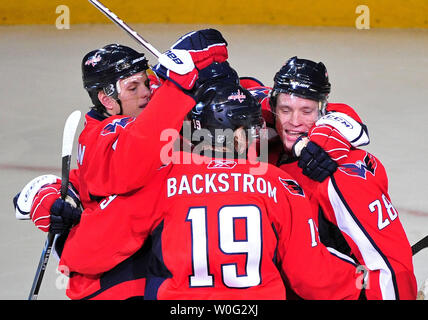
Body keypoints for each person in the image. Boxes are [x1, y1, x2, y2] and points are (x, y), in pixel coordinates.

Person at [58, 81, 366, 299]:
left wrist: (65, 227)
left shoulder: (162, 180)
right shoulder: (279, 185)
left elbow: (86, 255)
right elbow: (313, 278)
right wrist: (360, 282)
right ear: (244, 135)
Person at [14, 29, 232, 299]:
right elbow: (136, 157)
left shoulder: (148, 121)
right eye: (133, 87)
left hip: (161, 270)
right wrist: (177, 87)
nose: (146, 93)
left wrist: (216, 75)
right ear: (107, 100)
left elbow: (83, 179)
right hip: (119, 281)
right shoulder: (107, 134)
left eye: (147, 83)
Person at [265, 56, 417, 299]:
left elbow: (392, 266)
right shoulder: (267, 147)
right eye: (285, 110)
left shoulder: (340, 175)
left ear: (323, 111)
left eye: (306, 111)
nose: (294, 122)